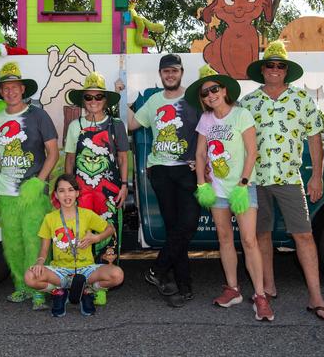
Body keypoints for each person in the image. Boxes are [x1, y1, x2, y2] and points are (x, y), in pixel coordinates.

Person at [240, 40, 324, 321]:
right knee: (261, 236)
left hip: (290, 178)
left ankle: (316, 296)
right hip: (256, 179)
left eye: (280, 65)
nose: (274, 69)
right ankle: (268, 286)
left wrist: (316, 176)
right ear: (262, 69)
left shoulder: (302, 100)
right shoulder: (248, 103)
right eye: (269, 64)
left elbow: (315, 138)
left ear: (286, 70)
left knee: (304, 235)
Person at [187, 64, 274, 321]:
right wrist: (201, 182)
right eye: (205, 93)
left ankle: (260, 296)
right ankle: (233, 289)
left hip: (242, 188)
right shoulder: (205, 119)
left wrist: (243, 184)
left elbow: (252, 152)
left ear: (224, 90)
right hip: (217, 189)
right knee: (224, 239)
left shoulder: (242, 115)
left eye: (214, 89)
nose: (210, 95)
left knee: (249, 241)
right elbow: (201, 153)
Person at [117, 54, 201, 308]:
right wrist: (121, 96)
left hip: (188, 170)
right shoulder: (154, 101)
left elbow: (210, 128)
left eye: (174, 71)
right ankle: (184, 286)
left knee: (187, 224)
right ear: (161, 74)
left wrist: (203, 160)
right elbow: (131, 124)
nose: (170, 75)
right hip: (161, 172)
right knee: (176, 228)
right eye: (166, 71)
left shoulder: (194, 99)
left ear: (182, 72)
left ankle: (157, 269)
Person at [0, 62, 59, 310]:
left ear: (22, 89)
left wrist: (39, 182)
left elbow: (53, 152)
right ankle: (21, 286)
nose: (10, 92)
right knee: (12, 242)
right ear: (1, 92)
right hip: (6, 193)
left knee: (34, 241)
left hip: (33, 193)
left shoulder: (38, 115)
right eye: (5, 88)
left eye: (14, 87)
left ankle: (39, 289)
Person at [65, 71, 129, 305]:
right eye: (89, 98)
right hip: (81, 191)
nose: (93, 102)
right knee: (81, 234)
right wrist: (68, 190)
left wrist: (124, 185)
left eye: (98, 97)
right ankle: (82, 282)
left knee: (108, 235)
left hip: (109, 191)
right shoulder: (75, 126)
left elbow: (123, 158)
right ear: (83, 100)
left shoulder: (116, 125)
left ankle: (101, 284)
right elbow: (70, 160)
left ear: (105, 100)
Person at [24, 174, 124, 317]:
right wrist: (39, 262)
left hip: (87, 270)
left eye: (70, 190)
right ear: (56, 195)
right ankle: (58, 292)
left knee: (117, 275)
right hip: (60, 272)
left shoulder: (87, 215)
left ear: (77, 193)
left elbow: (110, 229)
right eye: (62, 191)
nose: (67, 195)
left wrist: (96, 238)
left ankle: (88, 290)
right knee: (30, 276)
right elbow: (44, 249)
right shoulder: (49, 218)